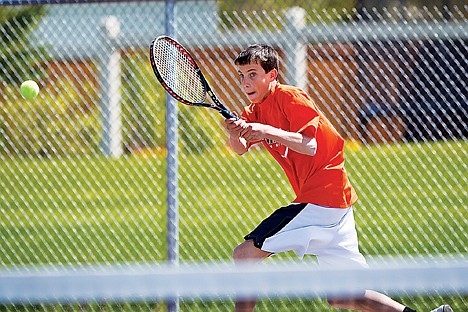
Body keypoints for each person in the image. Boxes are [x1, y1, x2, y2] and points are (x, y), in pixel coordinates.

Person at [224, 44, 453, 312]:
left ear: (272, 75)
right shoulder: (253, 110)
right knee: (344, 296)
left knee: (244, 255)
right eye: (241, 75)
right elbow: (240, 148)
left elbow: (310, 144)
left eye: (253, 74)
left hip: (323, 199)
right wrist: (233, 132)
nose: (245, 82)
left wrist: (265, 131)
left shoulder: (291, 97)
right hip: (337, 207)